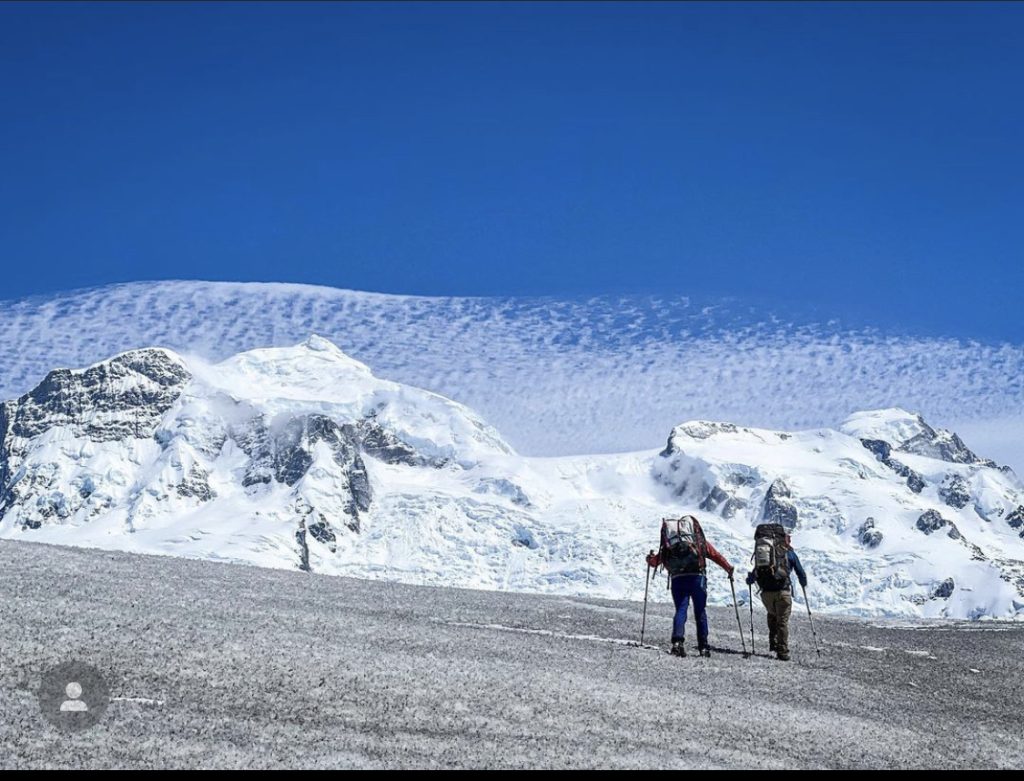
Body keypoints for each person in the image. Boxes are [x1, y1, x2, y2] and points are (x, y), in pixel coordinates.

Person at [646, 515, 734, 657]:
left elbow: (655, 562)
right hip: (697, 578)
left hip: (678, 579)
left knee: (681, 609)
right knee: (700, 612)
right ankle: (703, 647)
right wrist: (729, 568)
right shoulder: (698, 542)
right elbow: (716, 556)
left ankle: (677, 643)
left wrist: (649, 559)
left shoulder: (670, 544)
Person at [745, 531, 807, 661]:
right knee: (782, 622)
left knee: (772, 614)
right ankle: (782, 651)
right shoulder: (789, 553)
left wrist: (750, 580)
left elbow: (755, 573)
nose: (790, 540)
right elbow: (800, 571)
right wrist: (803, 582)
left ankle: (773, 642)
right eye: (788, 538)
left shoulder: (766, 553)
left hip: (766, 594)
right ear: (784, 539)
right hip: (782, 592)